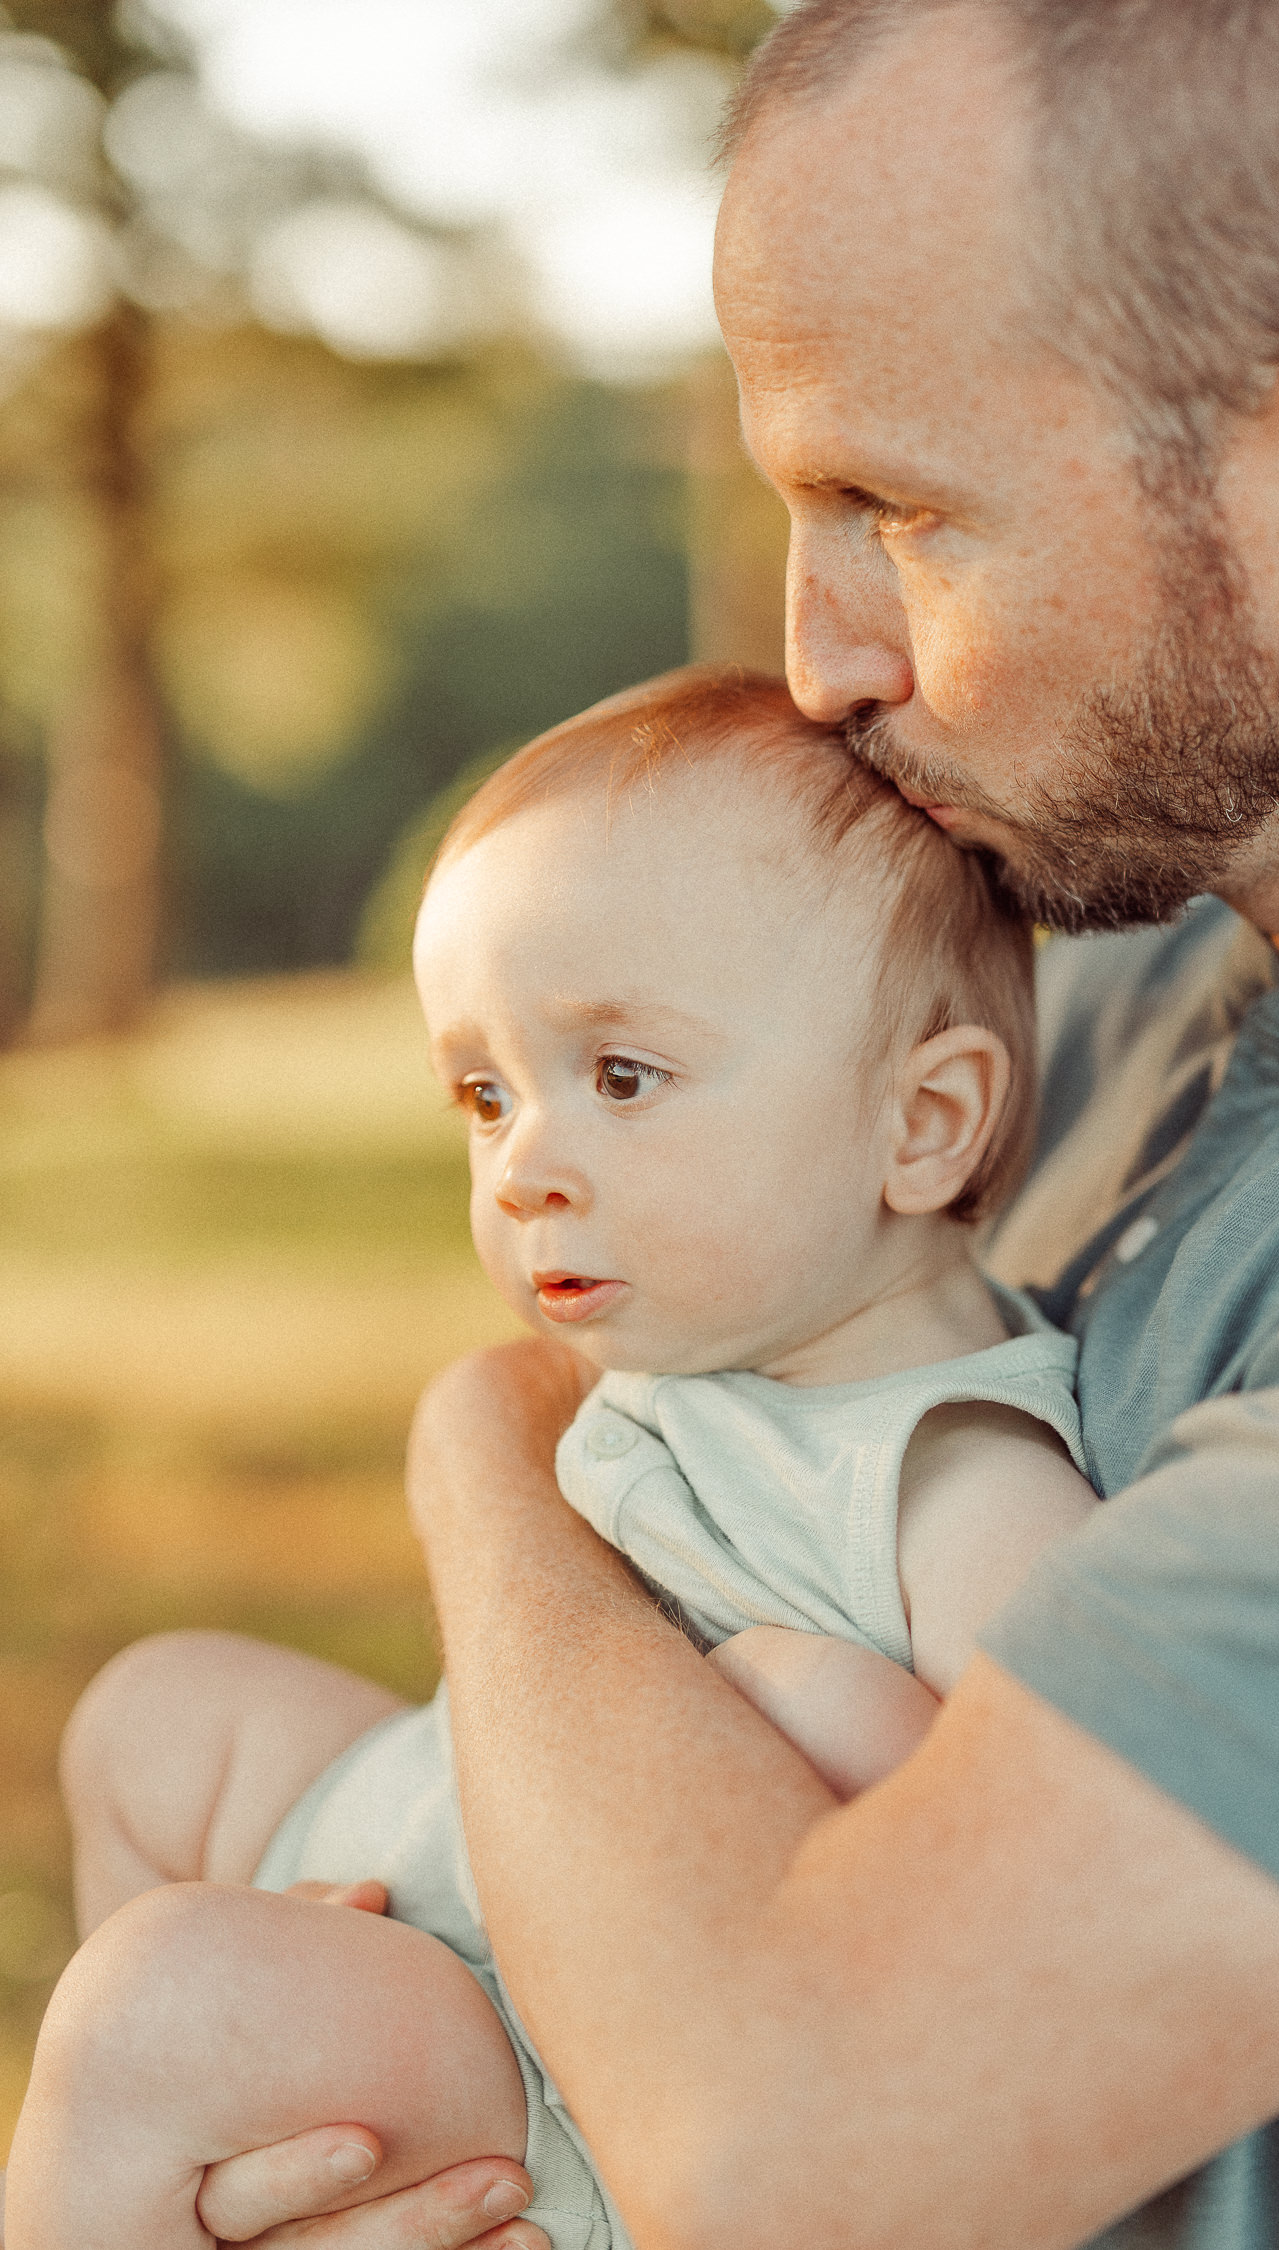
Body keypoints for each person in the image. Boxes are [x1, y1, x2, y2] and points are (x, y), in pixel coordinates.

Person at [31, 0, 1279, 2243]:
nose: (820, 656)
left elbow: (791, 2143)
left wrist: (485, 1444)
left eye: (893, 506)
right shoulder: (1099, 996)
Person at [3, 672, 1098, 2250]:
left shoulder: (953, 1474)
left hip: (571, 2049)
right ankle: (191, 2166)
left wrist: (822, 1708)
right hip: (460, 1854)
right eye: (484, 1091)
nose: (523, 1166)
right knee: (153, 1717)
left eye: (622, 1076)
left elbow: (1034, 1870)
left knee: (150, 2003)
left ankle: (162, 2104)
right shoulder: (727, 1354)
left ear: (921, 1126)